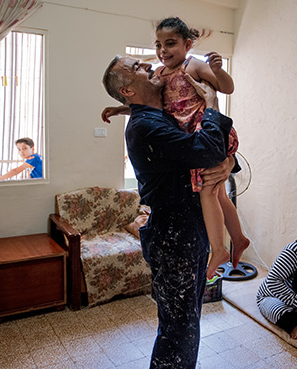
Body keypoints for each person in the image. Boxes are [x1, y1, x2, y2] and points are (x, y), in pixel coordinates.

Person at [102, 55, 236, 368]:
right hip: (174, 237)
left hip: (188, 231)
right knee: (179, 329)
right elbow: (204, 149)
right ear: (129, 92)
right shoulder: (146, 127)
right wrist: (213, 105)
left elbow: (212, 155)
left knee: (185, 322)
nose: (148, 65)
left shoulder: (165, 114)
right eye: (136, 68)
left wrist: (228, 164)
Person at [102, 17, 249, 280]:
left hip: (205, 131)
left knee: (211, 192)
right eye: (159, 45)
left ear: (188, 44)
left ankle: (222, 247)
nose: (162, 52)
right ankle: (234, 240)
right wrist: (122, 108)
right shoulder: (156, 87)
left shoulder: (193, 66)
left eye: (170, 44)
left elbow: (226, 88)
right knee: (217, 193)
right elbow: (145, 102)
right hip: (196, 140)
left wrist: (219, 71)